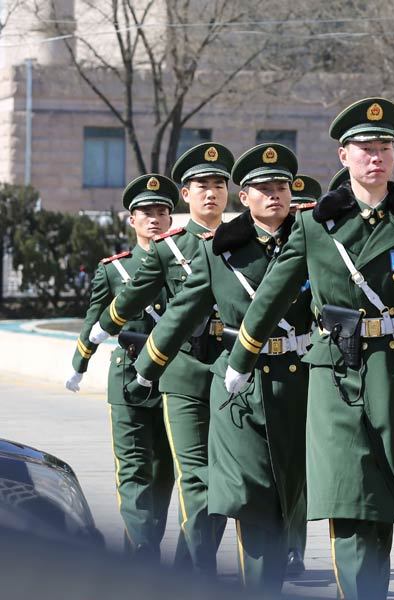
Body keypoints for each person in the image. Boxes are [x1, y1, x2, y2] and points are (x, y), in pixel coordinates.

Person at [225, 97, 394, 600]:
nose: (376, 156)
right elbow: (275, 291)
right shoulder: (313, 224)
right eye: (365, 148)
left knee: (382, 505)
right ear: (343, 156)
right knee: (350, 504)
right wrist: (243, 356)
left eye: (384, 147)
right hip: (336, 375)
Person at [129, 143, 310, 593]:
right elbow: (183, 311)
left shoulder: (316, 242)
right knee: (247, 496)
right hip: (238, 388)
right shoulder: (220, 252)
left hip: (302, 381)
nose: (275, 195)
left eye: (282, 187)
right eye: (263, 188)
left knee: (291, 496)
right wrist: (146, 368)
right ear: (245, 197)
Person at [89, 143, 235, 574]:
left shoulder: (245, 241)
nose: (211, 194)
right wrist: (101, 333)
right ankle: (181, 568)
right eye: (201, 186)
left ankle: (189, 564)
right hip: (183, 369)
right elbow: (134, 300)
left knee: (221, 479)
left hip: (231, 368)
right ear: (186, 195)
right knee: (193, 477)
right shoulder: (168, 249)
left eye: (218, 185)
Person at [65, 174, 185, 562]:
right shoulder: (114, 270)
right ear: (130, 220)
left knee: (165, 469)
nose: (155, 219)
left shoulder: (184, 264)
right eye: (146, 213)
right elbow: (93, 319)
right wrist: (79, 362)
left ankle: (149, 537)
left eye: (162, 212)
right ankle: (143, 544)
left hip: (172, 375)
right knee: (132, 466)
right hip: (128, 377)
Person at [285, 172, 322, 577]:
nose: (297, 215)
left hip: (310, 368)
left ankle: (294, 545)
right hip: (267, 370)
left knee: (299, 467)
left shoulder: (323, 253)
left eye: (305, 209)